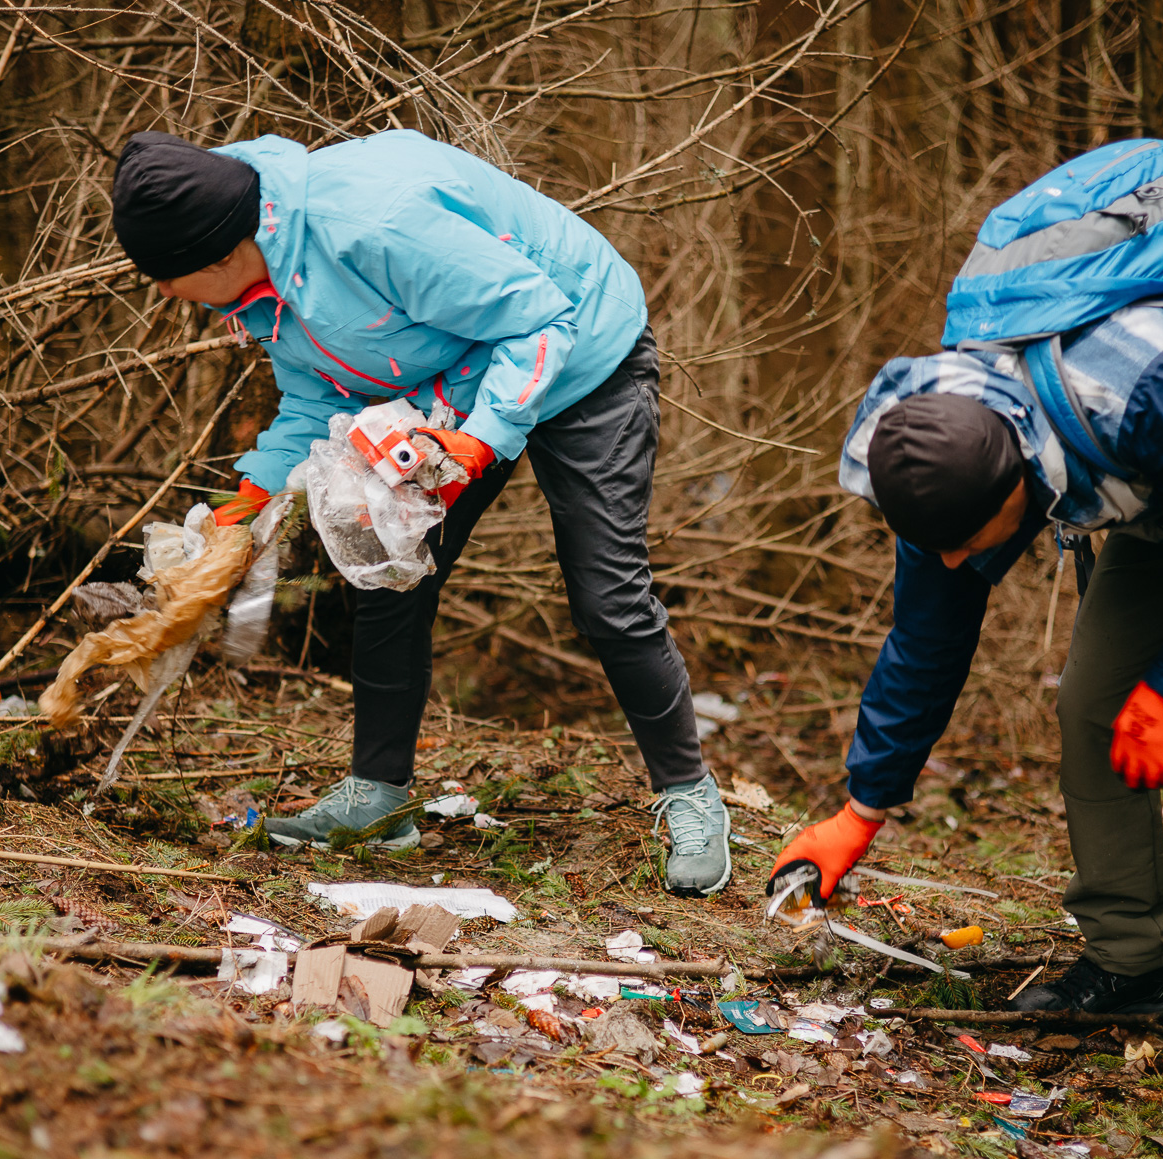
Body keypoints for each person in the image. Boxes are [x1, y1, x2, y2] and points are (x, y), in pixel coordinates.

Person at [770, 287, 1163, 1104]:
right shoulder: (935, 453)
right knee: (1092, 703)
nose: (949, 563)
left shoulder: (1151, 400)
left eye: (967, 544)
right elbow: (927, 640)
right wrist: (860, 811)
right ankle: (1132, 961)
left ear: (1019, 485)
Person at [108, 128, 731, 896]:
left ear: (218, 255)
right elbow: (318, 393)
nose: (165, 295)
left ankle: (689, 794)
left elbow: (541, 322)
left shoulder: (374, 226)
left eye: (166, 279)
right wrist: (255, 493)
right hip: (448, 385)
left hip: (579, 354)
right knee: (385, 566)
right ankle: (377, 799)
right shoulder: (261, 272)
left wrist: (479, 444)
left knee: (606, 594)